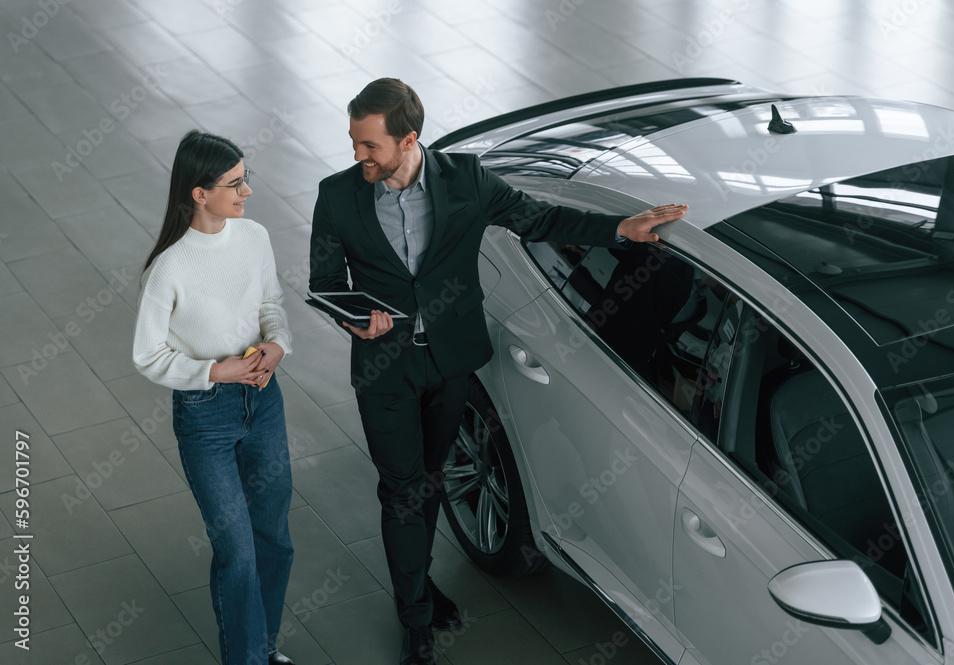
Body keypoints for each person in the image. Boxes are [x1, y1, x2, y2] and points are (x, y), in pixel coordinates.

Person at [308, 78, 687, 665]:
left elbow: (535, 218)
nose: (358, 156)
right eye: (355, 143)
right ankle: (414, 622)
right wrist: (354, 322)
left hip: (453, 359)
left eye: (369, 146)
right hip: (386, 369)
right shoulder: (337, 196)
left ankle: (421, 585)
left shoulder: (467, 180)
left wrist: (620, 228)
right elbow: (326, 283)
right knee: (403, 492)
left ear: (409, 140)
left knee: (432, 477)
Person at [132, 130, 295, 665]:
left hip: (264, 401)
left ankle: (263, 650)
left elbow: (271, 302)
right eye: (234, 183)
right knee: (238, 553)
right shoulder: (170, 268)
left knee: (273, 536)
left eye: (245, 178)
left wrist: (276, 344)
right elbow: (148, 356)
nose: (246, 191)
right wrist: (213, 370)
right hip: (207, 418)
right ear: (199, 193)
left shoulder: (254, 237)